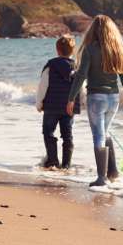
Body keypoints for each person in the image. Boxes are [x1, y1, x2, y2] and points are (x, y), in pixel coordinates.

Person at [66, 15, 123, 187]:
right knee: (105, 132)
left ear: (93, 30)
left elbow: (81, 75)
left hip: (96, 99)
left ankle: (102, 178)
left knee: (99, 135)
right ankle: (112, 171)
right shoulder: (117, 49)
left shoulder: (89, 49)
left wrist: (71, 98)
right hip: (113, 99)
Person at [36, 35, 79, 169]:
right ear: (73, 51)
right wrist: (82, 102)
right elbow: (81, 86)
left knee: (48, 132)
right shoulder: (77, 67)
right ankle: (66, 164)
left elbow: (43, 86)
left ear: (57, 50)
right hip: (69, 107)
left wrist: (39, 103)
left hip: (51, 106)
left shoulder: (51, 65)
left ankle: (53, 161)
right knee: (67, 135)